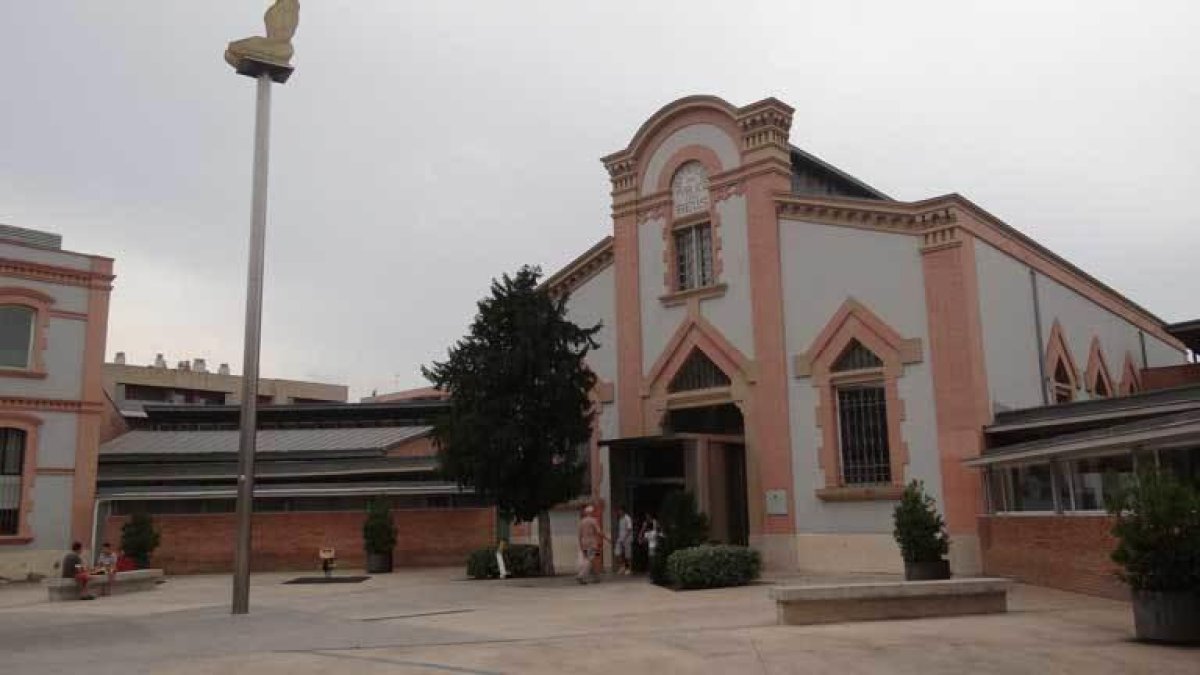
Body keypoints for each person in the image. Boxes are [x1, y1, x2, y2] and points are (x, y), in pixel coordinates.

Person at [576, 504, 606, 584]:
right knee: (590, 559)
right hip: (592, 543)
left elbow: (579, 535)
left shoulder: (582, 521)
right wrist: (605, 537)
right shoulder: (593, 520)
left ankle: (596, 577)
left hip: (584, 542)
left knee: (592, 559)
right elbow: (598, 531)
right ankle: (581, 575)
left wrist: (580, 545)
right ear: (591, 512)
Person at [615, 506, 634, 575]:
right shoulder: (620, 519)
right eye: (618, 511)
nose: (619, 512)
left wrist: (624, 538)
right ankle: (622, 567)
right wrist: (619, 538)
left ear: (623, 511)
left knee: (627, 555)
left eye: (620, 510)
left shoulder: (627, 518)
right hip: (620, 538)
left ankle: (628, 569)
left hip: (627, 538)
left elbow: (629, 529)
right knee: (618, 553)